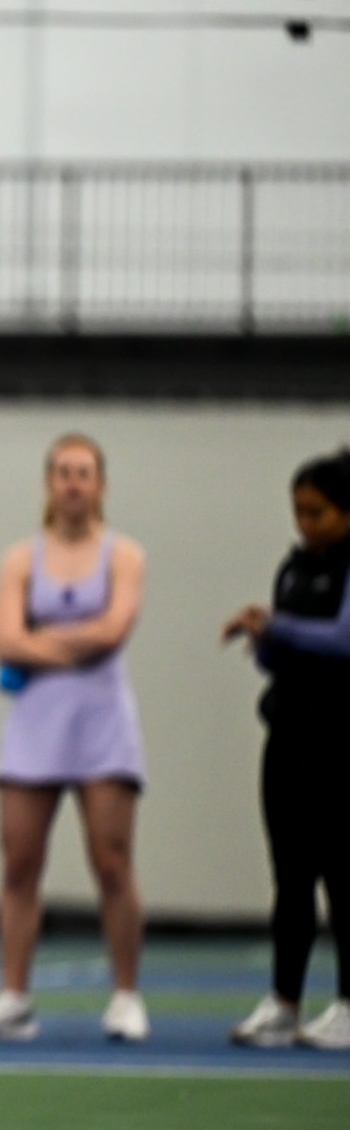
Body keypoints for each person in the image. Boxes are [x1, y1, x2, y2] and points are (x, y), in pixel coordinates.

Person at [0, 434, 150, 1044]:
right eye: (64, 472)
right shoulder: (22, 559)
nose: (74, 483)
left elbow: (115, 629)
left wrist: (44, 637)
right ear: (50, 483)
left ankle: (126, 995)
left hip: (102, 726)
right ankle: (13, 996)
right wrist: (78, 639)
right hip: (34, 727)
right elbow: (5, 642)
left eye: (85, 473)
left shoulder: (123, 555)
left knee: (112, 861)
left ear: (100, 485)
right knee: (19, 865)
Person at [224, 448, 350, 1050]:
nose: (304, 523)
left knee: (341, 873)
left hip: (340, 739)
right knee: (291, 874)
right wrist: (262, 638)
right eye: (298, 511)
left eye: (318, 512)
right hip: (290, 735)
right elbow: (280, 655)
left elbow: (344, 639)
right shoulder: (294, 567)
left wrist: (277, 627)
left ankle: (348, 1004)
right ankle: (285, 1000)